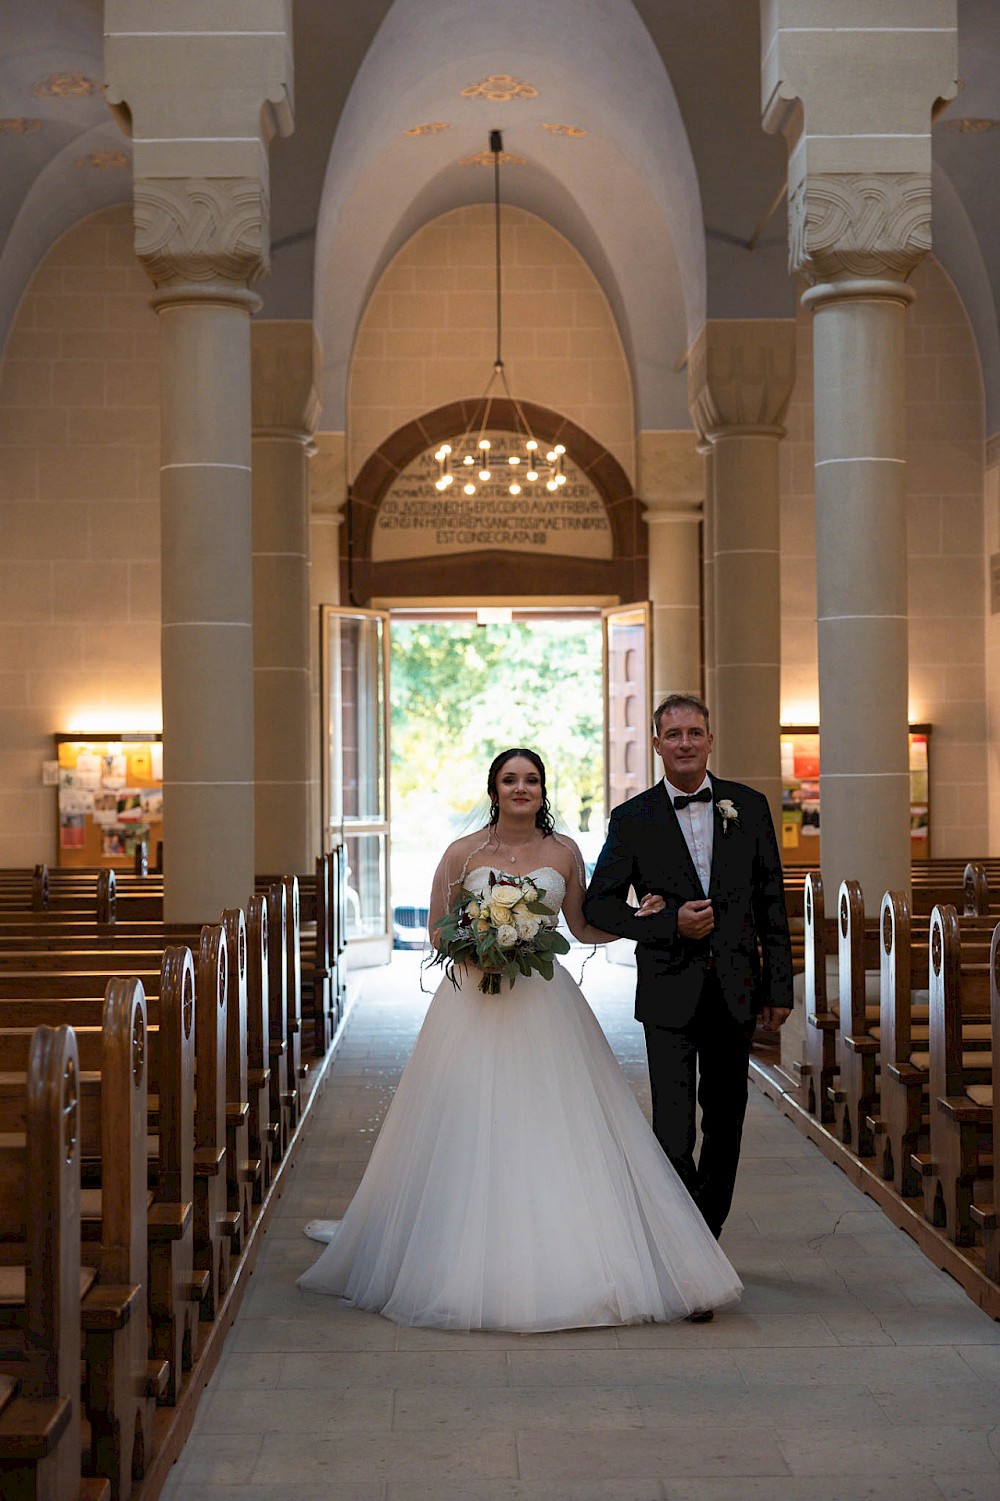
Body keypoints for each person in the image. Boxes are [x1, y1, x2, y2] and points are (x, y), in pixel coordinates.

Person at [299, 746, 741, 1331]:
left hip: (545, 1002)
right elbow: (436, 928)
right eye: (510, 779)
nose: (521, 788)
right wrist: (484, 941)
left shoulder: (563, 852)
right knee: (471, 1119)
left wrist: (645, 917)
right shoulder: (464, 852)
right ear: (494, 789)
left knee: (553, 1119)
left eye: (531, 779)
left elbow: (582, 927)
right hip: (472, 1008)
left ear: (542, 790)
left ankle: (571, 1251)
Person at [583, 694, 793, 1251]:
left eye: (694, 733)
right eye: (672, 734)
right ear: (656, 744)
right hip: (668, 993)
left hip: (736, 990)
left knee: (726, 1123)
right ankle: (688, 1243)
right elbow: (599, 906)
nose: (684, 743)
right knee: (673, 1132)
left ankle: (707, 1234)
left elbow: (772, 902)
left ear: (709, 740)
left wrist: (780, 986)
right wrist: (668, 924)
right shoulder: (632, 819)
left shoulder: (748, 806)